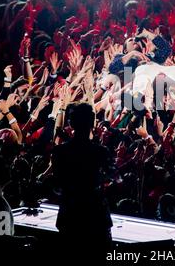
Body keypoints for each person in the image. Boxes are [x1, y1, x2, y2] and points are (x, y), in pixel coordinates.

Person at [51, 102, 113, 250]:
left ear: (71, 123)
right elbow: (111, 178)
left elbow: (57, 184)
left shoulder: (60, 152)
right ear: (92, 123)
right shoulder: (101, 151)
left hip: (69, 215)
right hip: (96, 216)